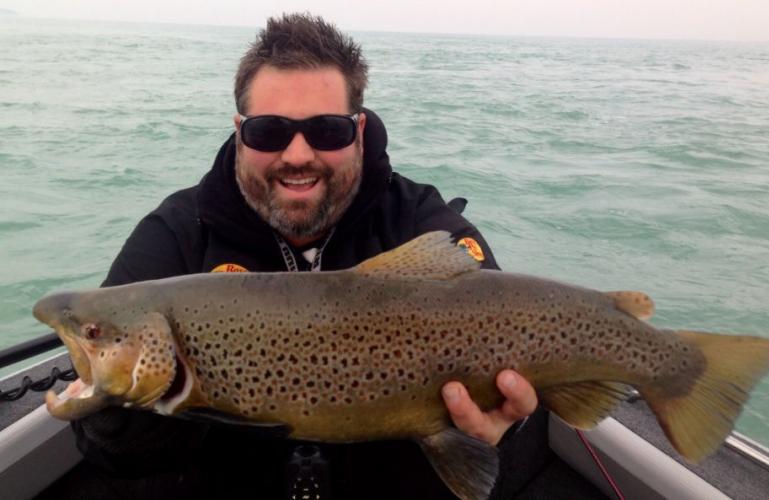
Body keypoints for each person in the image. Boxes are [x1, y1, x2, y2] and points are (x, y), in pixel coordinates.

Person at [56, 13, 559, 500]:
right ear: (239, 131)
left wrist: (501, 423)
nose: (298, 154)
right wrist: (129, 407)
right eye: (270, 132)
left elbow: (505, 319)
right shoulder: (175, 235)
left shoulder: (417, 218)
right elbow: (111, 455)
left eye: (327, 131)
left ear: (359, 131)